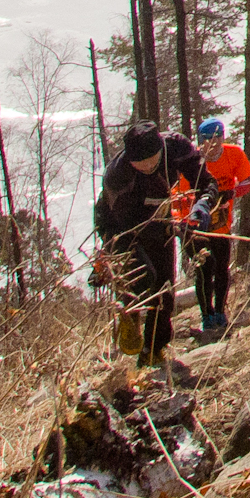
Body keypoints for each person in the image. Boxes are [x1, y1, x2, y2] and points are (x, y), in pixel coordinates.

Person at [93, 120, 202, 364]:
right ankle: (129, 313)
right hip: (118, 226)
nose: (148, 167)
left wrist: (193, 212)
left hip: (157, 217)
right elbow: (127, 225)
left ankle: (153, 351)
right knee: (143, 277)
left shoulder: (175, 148)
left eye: (152, 161)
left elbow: (200, 177)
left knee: (164, 287)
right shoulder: (117, 176)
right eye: (140, 164)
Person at [187, 115, 250, 337]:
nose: (215, 142)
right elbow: (178, 194)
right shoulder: (193, 162)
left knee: (222, 270)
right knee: (204, 270)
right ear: (201, 140)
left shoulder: (233, 154)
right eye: (209, 138)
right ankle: (206, 315)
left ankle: (220, 312)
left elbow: (247, 181)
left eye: (219, 137)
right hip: (197, 228)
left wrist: (230, 193)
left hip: (222, 226)